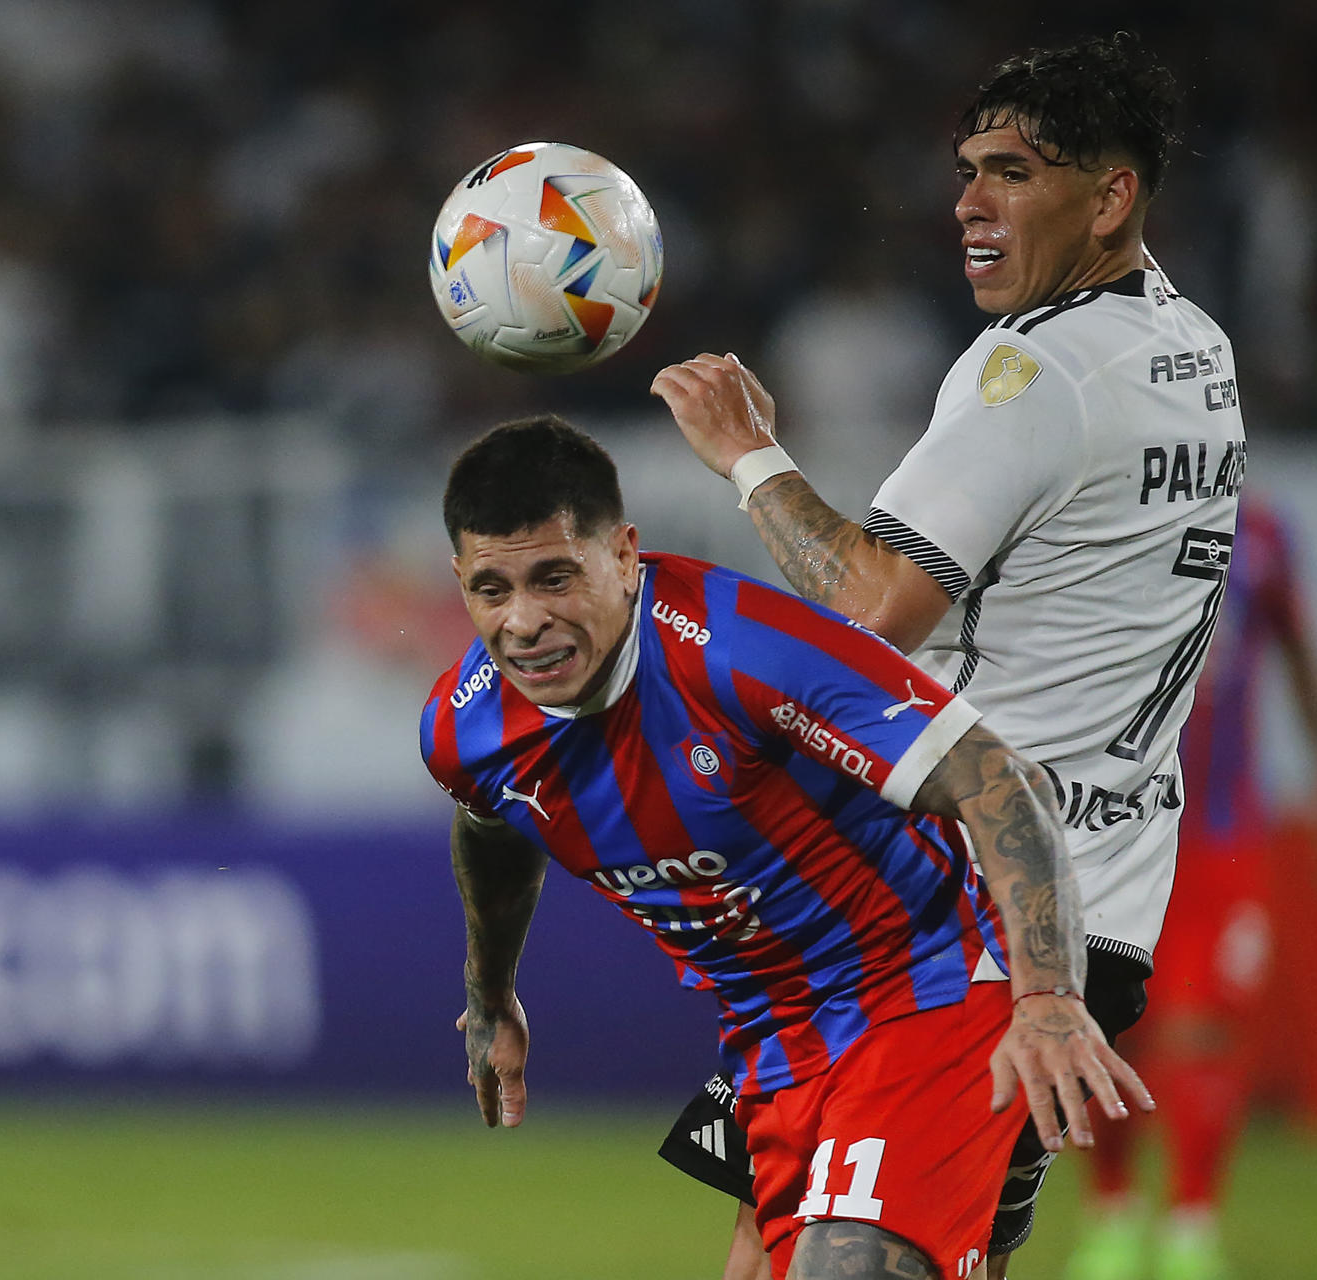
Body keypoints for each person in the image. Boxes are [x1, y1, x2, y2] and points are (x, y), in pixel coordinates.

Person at [651, 32, 1242, 1279]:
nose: (968, 201)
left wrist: (750, 454)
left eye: (1014, 172)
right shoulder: (1195, 348)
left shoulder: (1038, 371)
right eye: (970, 167)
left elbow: (870, 606)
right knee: (791, 1234)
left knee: (854, 1254)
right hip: (1101, 887)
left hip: (968, 909)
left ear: (1112, 193)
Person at [423, 416, 1151, 1280]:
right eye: (492, 590)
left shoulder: (745, 651)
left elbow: (1004, 784)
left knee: (845, 1270)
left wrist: (1046, 999)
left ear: (623, 555)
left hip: (928, 985)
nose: (525, 623)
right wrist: (492, 991)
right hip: (773, 1039)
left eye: (555, 578)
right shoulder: (465, 729)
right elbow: (492, 825)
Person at [1064, 497, 1317, 1280]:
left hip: (1221, 836)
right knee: (1104, 1025)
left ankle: (1191, 1227)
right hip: (1112, 821)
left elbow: (1299, 653)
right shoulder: (1104, 505)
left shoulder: (1262, 535)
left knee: (1200, 1030)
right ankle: (1114, 1216)